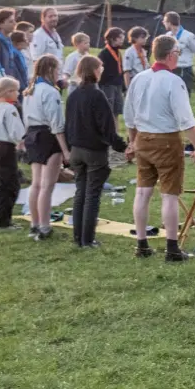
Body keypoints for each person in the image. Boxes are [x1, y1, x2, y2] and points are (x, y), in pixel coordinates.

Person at [124, 34, 195, 262]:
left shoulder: (139, 78)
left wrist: (133, 141)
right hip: (166, 140)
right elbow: (187, 120)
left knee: (142, 191)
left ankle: (142, 244)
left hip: (143, 138)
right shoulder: (173, 81)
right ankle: (172, 247)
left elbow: (129, 117)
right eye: (178, 52)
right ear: (171, 55)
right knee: (169, 194)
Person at [65, 56, 126, 248]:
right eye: (100, 67)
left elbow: (68, 124)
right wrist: (123, 147)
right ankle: (88, 239)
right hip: (94, 151)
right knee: (92, 195)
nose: (102, 70)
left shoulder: (73, 95)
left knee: (80, 193)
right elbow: (107, 127)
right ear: (93, 70)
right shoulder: (97, 95)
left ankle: (78, 237)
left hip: (76, 150)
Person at [21, 55, 70, 241]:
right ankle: (44, 226)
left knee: (36, 183)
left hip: (32, 134)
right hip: (47, 136)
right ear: (50, 70)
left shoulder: (29, 90)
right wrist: (65, 150)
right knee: (47, 186)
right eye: (57, 69)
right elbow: (56, 123)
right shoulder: (50, 92)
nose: (58, 73)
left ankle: (34, 223)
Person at [0, 76, 26, 230]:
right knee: (10, 185)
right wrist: (22, 142)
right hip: (6, 148)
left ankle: (0, 217)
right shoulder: (10, 109)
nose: (18, 94)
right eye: (16, 91)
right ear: (8, 92)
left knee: (0, 184)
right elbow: (17, 132)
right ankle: (3, 221)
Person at [161, 11, 195, 94]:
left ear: (169, 23)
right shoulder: (167, 35)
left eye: (164, 21)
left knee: (183, 98)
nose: (163, 23)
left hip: (184, 71)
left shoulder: (188, 36)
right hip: (170, 70)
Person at [96, 28, 126, 121]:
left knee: (116, 112)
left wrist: (123, 86)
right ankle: (109, 133)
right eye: (120, 38)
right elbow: (100, 71)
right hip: (107, 86)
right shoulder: (103, 54)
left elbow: (121, 69)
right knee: (109, 111)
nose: (122, 40)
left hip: (117, 85)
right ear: (112, 39)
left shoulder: (118, 52)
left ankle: (115, 133)